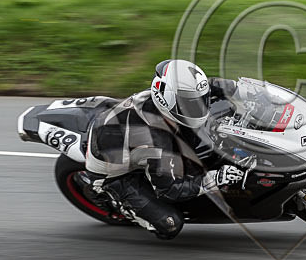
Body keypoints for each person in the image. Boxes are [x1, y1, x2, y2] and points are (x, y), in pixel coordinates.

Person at [84, 60, 245, 240]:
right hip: (114, 174)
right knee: (170, 225)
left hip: (124, 135)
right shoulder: (155, 141)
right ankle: (109, 197)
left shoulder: (173, 96)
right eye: (192, 104)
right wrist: (214, 179)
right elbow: (169, 190)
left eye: (202, 100)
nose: (201, 106)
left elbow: (211, 85)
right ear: (168, 100)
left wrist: (243, 90)